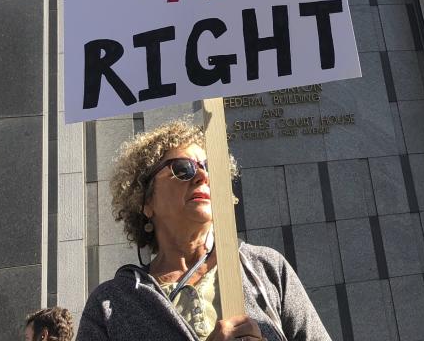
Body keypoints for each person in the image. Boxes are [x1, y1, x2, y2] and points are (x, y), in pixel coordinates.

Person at [77, 119, 331, 341]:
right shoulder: (111, 304)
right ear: (145, 202)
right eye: (183, 169)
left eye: (209, 168)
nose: (202, 176)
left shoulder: (266, 267)